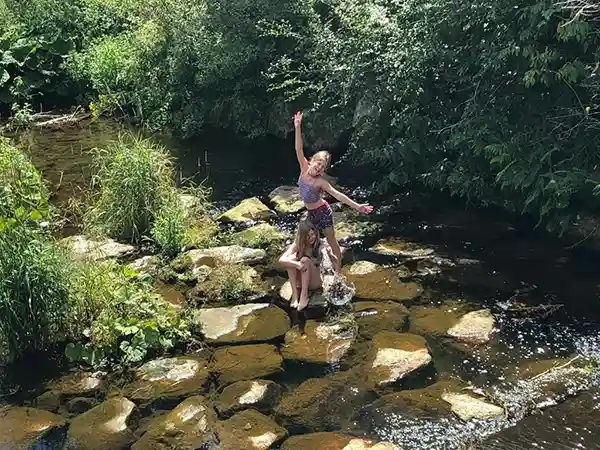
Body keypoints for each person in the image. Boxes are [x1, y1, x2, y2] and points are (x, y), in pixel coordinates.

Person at [293, 111, 373, 272]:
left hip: (323, 212)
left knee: (331, 239)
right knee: (303, 235)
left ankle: (337, 270)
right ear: (312, 161)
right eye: (318, 163)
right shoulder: (303, 168)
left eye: (322, 167)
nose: (319, 167)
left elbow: (337, 195)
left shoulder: (320, 182)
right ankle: (309, 262)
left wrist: (357, 206)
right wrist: (298, 127)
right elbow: (298, 148)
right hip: (311, 213)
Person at [278, 219, 338, 311]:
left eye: (313, 234)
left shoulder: (320, 244)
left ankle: (304, 295)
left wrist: (329, 254)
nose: (311, 238)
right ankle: (295, 294)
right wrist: (296, 264)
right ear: (302, 236)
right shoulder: (297, 245)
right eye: (308, 236)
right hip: (301, 282)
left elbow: (333, 260)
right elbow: (281, 260)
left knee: (304, 260)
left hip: (315, 281)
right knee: (290, 262)